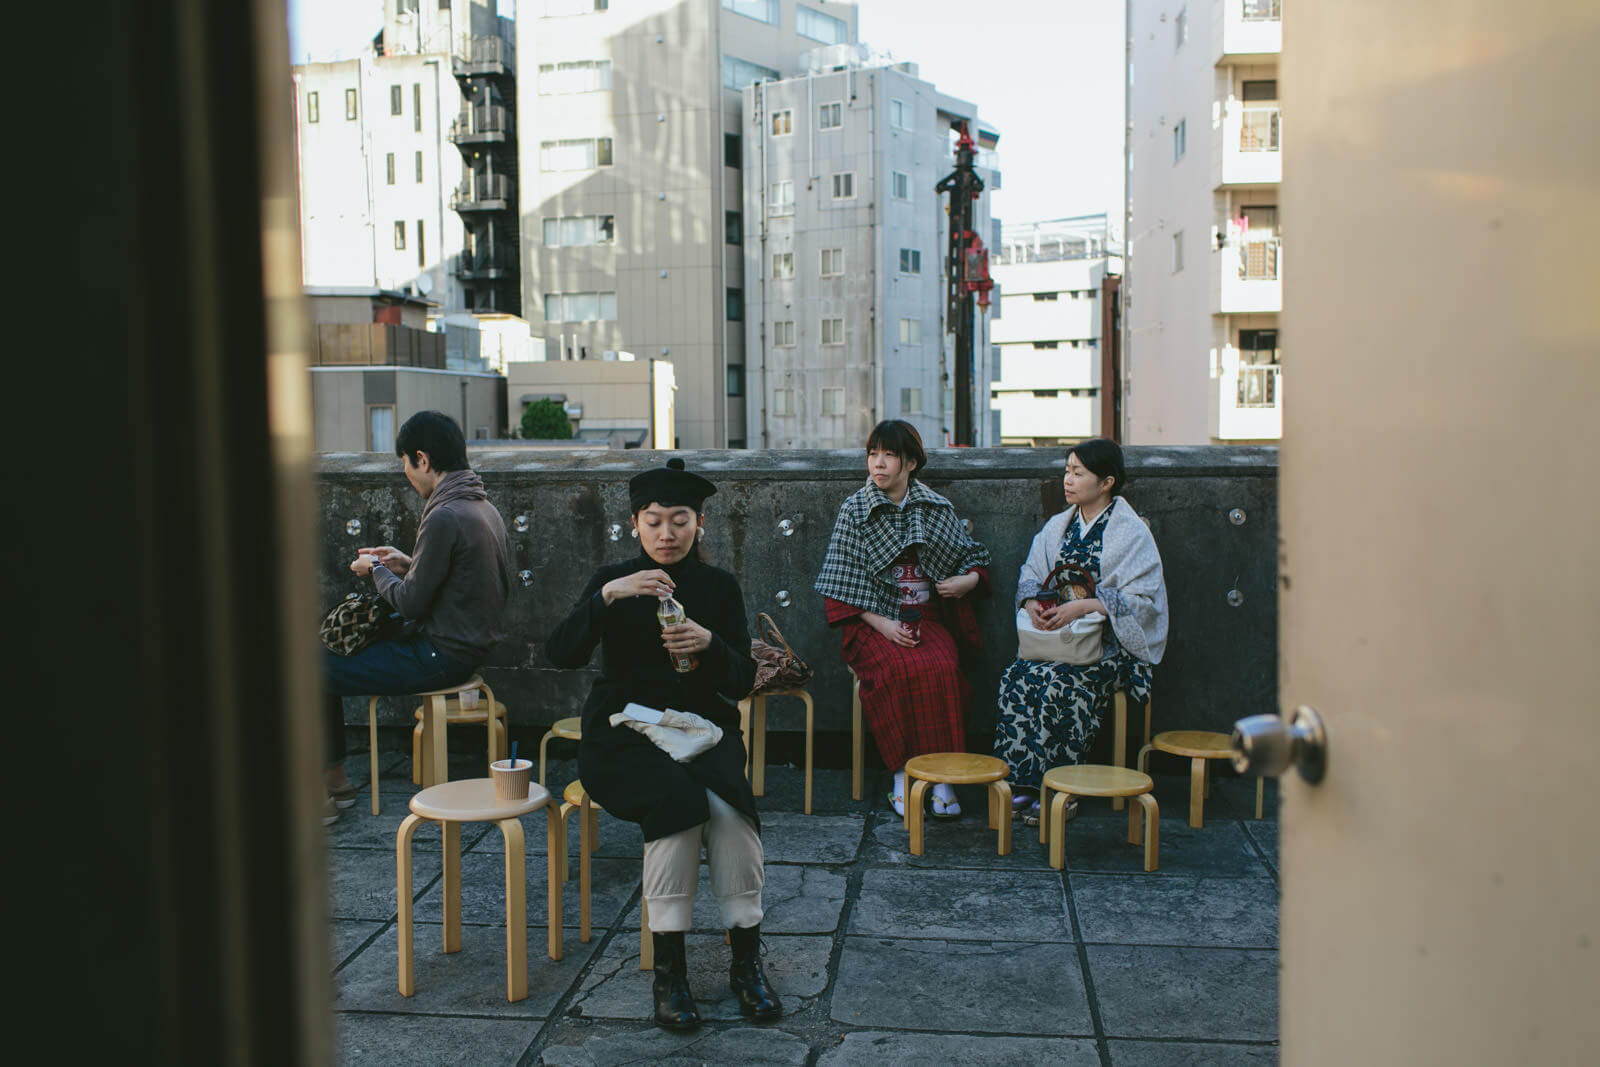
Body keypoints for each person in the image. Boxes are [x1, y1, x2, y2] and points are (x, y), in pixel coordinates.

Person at [546, 458, 780, 1032]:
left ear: (700, 524)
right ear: (635, 524)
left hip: (703, 730)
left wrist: (710, 643)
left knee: (729, 811)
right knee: (678, 805)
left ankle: (746, 964)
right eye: (654, 521)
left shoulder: (717, 586)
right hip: (623, 733)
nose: (667, 534)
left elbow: (741, 681)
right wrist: (608, 594)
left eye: (680, 521)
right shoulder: (616, 581)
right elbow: (561, 652)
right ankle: (669, 974)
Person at [321, 411, 510, 823]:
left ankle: (326, 787)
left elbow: (409, 604)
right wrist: (406, 562)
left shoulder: (444, 514)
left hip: (439, 655)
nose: (406, 474)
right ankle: (334, 781)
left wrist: (375, 570)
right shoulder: (480, 506)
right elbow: (455, 580)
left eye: (405, 464)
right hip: (463, 648)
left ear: (422, 459)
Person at [814, 420, 992, 818]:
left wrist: (966, 581)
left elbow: (972, 556)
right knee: (896, 669)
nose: (878, 464)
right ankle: (901, 774)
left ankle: (943, 775)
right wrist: (884, 625)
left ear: (910, 462)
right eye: (872, 455)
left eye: (889, 456)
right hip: (870, 620)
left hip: (924, 616)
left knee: (942, 666)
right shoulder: (854, 509)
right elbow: (840, 582)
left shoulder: (934, 507)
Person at [992, 438, 1168, 823]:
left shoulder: (1131, 533)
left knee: (1061, 683)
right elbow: (1030, 575)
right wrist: (1033, 602)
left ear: (1106, 482)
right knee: (1016, 678)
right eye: (1067, 471)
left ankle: (1062, 788)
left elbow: (1146, 601)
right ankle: (1023, 782)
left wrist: (1086, 606)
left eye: (1078, 473)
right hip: (1060, 638)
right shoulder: (1060, 525)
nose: (1067, 480)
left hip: (1108, 646)